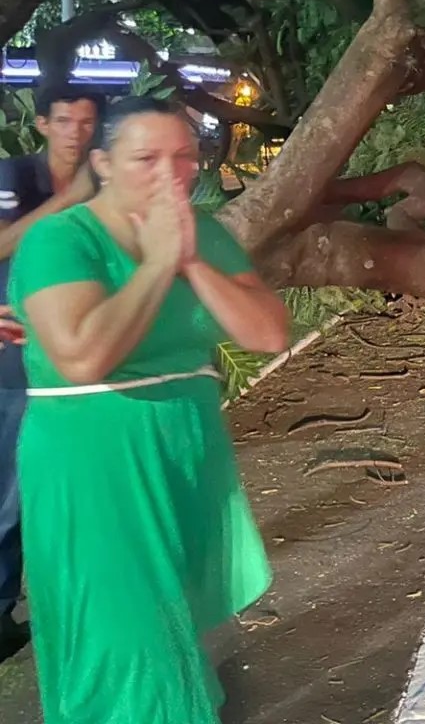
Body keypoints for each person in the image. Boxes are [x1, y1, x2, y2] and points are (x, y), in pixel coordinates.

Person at [7, 96, 291, 723]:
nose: (172, 173)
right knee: (122, 634)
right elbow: (83, 357)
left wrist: (189, 258)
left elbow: (267, 334)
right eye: (147, 158)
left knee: (180, 626)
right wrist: (159, 262)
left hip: (185, 447)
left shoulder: (205, 233)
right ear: (103, 163)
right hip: (95, 454)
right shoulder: (61, 238)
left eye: (185, 157)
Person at [0, 82, 101, 659]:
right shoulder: (15, 178)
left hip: (82, 362)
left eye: (87, 123)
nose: (76, 133)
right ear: (42, 124)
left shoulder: (107, 182)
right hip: (16, 364)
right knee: (9, 501)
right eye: (64, 121)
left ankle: (73, 611)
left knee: (76, 493)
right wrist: (73, 197)